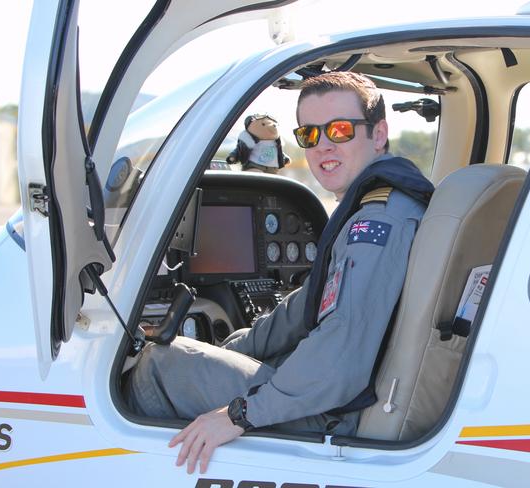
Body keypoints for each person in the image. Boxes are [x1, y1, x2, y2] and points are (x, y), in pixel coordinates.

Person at [126, 71, 434, 474]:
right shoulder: (381, 204)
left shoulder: (377, 223)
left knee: (158, 362)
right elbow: (305, 305)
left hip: (338, 413)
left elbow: (339, 352)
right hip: (344, 394)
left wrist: (238, 414)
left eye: (340, 130)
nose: (323, 145)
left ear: (378, 135)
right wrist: (233, 350)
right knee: (217, 349)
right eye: (310, 134)